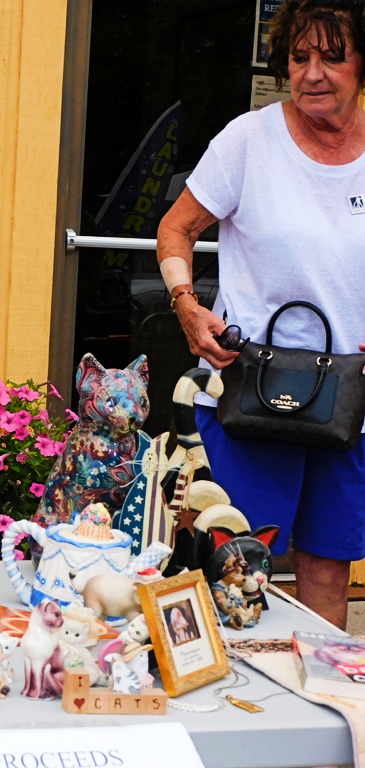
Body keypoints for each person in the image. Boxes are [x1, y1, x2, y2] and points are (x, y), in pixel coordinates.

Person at [156, 0, 365, 629]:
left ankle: (318, 687)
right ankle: (226, 687)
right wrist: (187, 305)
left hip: (350, 402)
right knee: (235, 562)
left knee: (327, 570)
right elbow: (176, 229)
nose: (312, 74)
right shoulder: (248, 140)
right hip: (248, 391)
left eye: (332, 57)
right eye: (299, 58)